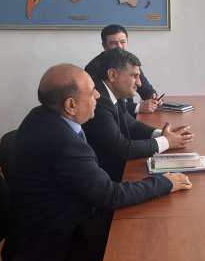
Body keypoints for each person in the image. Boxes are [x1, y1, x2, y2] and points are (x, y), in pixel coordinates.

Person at [1, 64, 192, 261]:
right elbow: (110, 196)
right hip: (47, 246)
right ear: (70, 105)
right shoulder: (64, 143)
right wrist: (164, 182)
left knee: (132, 225)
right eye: (92, 91)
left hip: (44, 224)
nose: (98, 95)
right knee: (133, 244)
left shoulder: (42, 117)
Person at [83, 48, 194, 182]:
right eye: (134, 76)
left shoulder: (114, 93)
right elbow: (122, 149)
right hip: (108, 179)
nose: (139, 83)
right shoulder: (99, 102)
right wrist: (166, 142)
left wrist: (161, 134)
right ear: (112, 75)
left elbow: (131, 125)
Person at [86, 24, 161, 116]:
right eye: (113, 43)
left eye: (123, 42)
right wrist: (138, 107)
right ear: (104, 46)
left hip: (129, 117)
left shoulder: (130, 62)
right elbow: (102, 103)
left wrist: (153, 98)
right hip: (112, 117)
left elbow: (145, 88)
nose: (119, 47)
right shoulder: (93, 68)